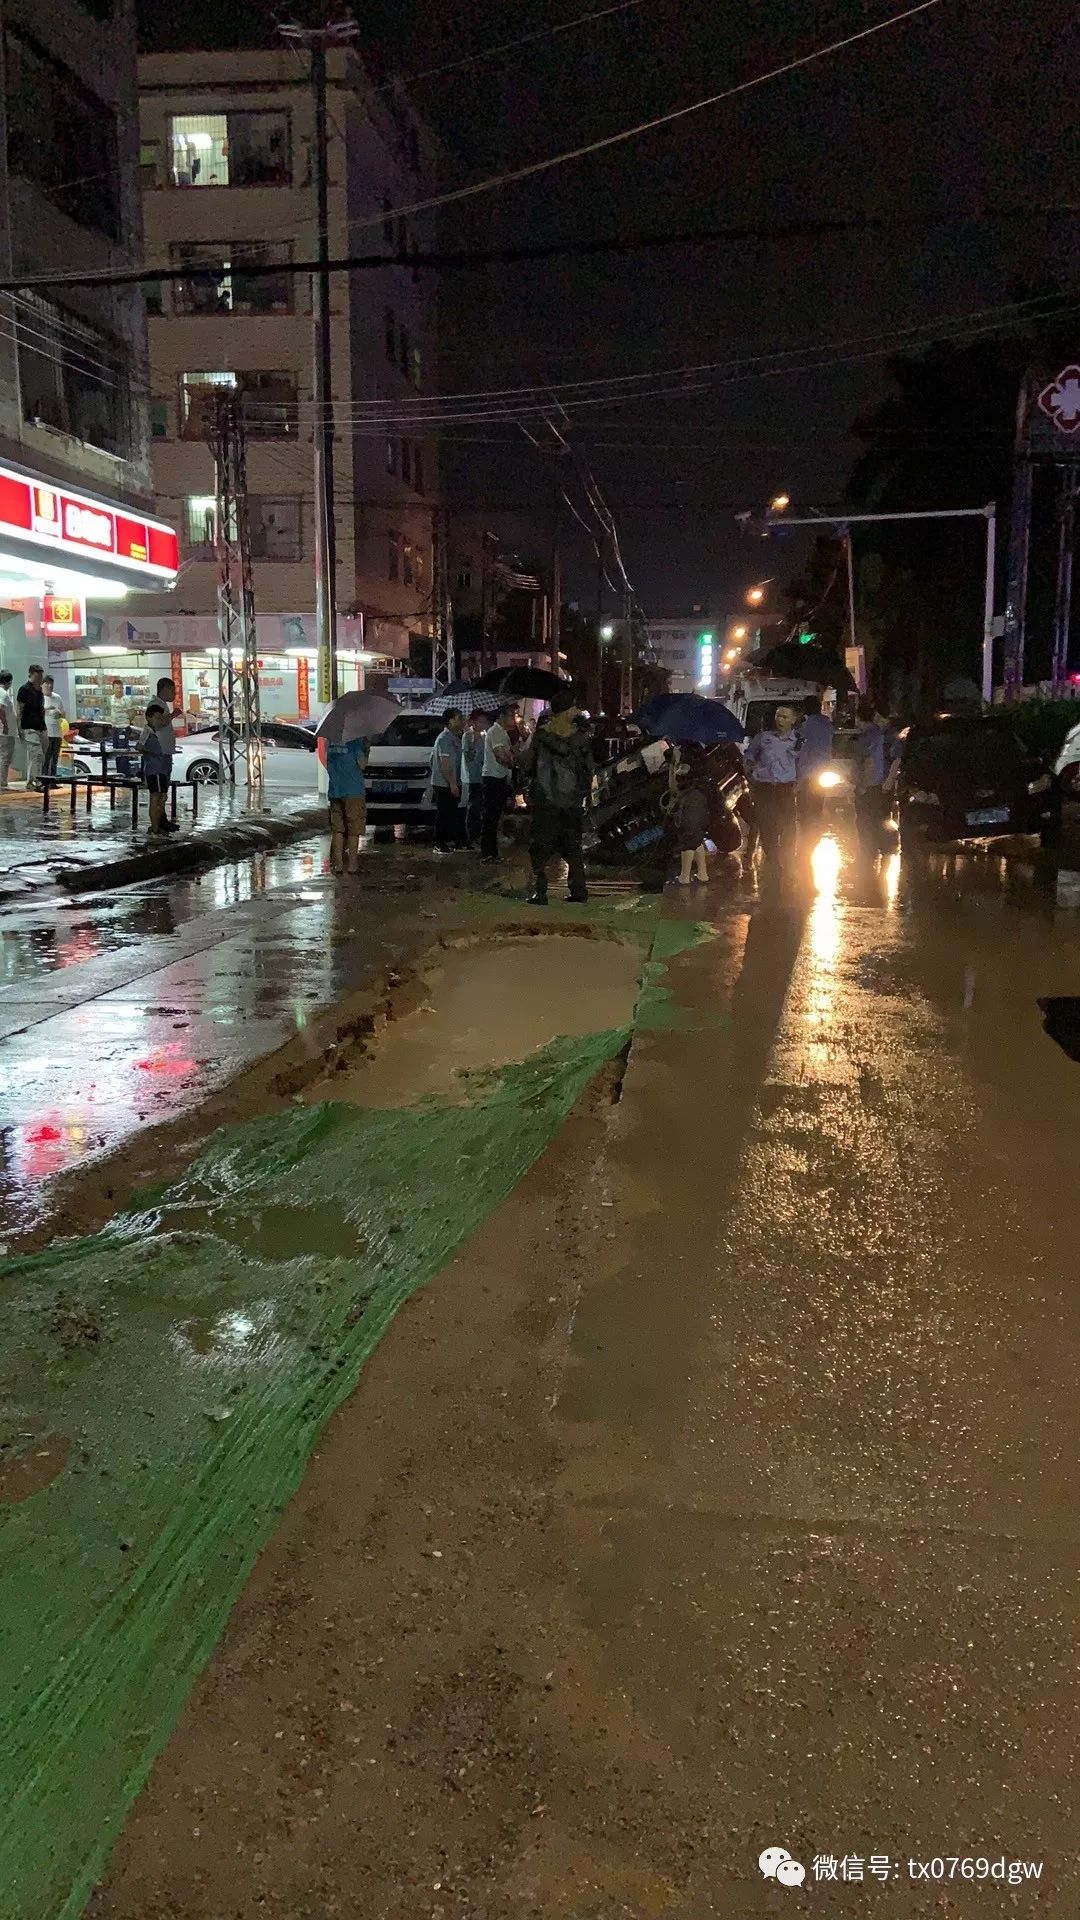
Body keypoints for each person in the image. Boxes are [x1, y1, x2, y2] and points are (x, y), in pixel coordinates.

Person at [520, 685, 594, 905]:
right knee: (572, 846)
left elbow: (527, 765)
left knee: (540, 847)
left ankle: (540, 892)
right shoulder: (580, 737)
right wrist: (585, 794)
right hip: (571, 801)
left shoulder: (540, 735)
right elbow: (589, 769)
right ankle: (578, 890)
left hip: (545, 799)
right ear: (568, 710)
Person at [742, 704, 799, 868]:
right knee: (767, 825)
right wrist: (750, 769)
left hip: (786, 789)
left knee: (787, 825)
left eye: (785, 717)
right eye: (778, 716)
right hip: (765, 788)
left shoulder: (798, 741)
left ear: (793, 720)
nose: (780, 720)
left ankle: (787, 860)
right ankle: (773, 859)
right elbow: (749, 755)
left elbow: (803, 764)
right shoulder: (763, 738)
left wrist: (800, 784)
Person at [479, 700, 518, 861]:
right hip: (493, 779)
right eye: (511, 716)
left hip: (499, 778)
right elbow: (501, 756)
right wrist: (512, 762)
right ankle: (488, 853)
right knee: (491, 817)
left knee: (495, 817)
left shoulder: (502, 732)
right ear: (501, 716)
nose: (513, 719)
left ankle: (492, 852)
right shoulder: (496, 732)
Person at [852, 705, 897, 843]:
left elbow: (869, 762)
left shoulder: (866, 737)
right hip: (881, 785)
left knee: (865, 824)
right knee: (880, 821)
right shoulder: (882, 734)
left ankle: (868, 855)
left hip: (870, 786)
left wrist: (862, 785)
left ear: (858, 718)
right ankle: (883, 850)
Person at [326, 733, 368, 875]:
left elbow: (328, 764)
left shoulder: (331, 742)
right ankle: (352, 865)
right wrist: (366, 750)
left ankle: (338, 865)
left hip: (335, 790)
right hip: (353, 791)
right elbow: (362, 765)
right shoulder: (354, 742)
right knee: (353, 829)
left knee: (337, 829)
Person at [669, 747, 711, 886]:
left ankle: (684, 877)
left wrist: (673, 767)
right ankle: (702, 874)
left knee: (688, 837)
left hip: (691, 798)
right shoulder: (697, 752)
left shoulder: (687, 754)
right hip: (700, 798)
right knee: (695, 837)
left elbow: (678, 781)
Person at [430, 707, 465, 853]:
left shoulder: (455, 737)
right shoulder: (444, 738)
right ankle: (439, 843)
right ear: (450, 721)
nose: (461, 721)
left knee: (451, 813)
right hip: (444, 783)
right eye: (459, 718)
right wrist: (452, 783)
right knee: (443, 813)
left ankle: (449, 841)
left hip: (452, 781)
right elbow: (445, 763)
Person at [796, 695, 833, 821]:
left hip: (807, 773)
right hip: (822, 771)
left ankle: (808, 835)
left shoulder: (806, 726)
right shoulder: (827, 724)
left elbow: (801, 750)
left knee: (805, 811)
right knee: (817, 807)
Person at [138, 702, 172, 836]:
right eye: (157, 718)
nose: (159, 721)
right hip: (154, 770)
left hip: (161, 769)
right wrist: (151, 754)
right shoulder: (147, 732)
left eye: (160, 718)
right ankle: (155, 828)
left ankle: (157, 825)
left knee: (162, 797)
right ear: (149, 718)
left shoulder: (156, 733)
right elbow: (139, 746)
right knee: (156, 798)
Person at [16, 664, 47, 790]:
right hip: (29, 726)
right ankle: (37, 781)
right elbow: (19, 710)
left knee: (39, 755)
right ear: (31, 674)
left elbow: (42, 709)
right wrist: (19, 728)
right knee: (37, 754)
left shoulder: (40, 690)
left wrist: (44, 726)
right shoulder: (24, 689)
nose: (40, 678)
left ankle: (31, 780)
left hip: (41, 726)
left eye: (41, 675)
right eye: (37, 675)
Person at [460, 710, 488, 848]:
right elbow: (468, 756)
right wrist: (474, 741)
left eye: (484, 721)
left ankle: (477, 835)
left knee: (479, 807)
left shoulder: (485, 736)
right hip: (471, 777)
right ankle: (469, 837)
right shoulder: (467, 736)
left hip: (482, 776)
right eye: (480, 721)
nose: (483, 724)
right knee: (472, 808)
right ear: (473, 722)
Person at [42, 675, 66, 779]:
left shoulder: (57, 697)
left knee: (55, 757)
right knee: (46, 758)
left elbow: (63, 713)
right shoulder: (40, 698)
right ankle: (44, 779)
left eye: (51, 684)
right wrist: (46, 709)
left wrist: (60, 714)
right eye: (46, 684)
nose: (49, 686)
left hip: (57, 732)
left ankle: (53, 779)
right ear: (42, 685)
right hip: (46, 732)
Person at [0, 670, 16, 790]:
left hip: (4, 729)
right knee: (5, 756)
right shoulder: (3, 694)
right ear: (8, 682)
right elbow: (1, 708)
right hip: (4, 731)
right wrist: (5, 724)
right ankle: (2, 782)